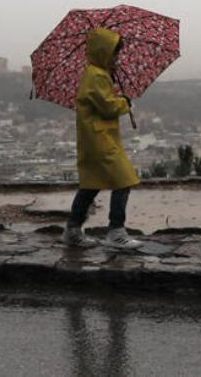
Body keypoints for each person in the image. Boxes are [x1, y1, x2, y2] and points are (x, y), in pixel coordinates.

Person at [63, 27, 142, 249]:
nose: (117, 57)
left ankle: (73, 230)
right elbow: (107, 107)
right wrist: (125, 102)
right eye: (114, 53)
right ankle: (116, 231)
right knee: (124, 179)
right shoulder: (97, 76)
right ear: (103, 52)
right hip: (100, 140)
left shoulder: (96, 74)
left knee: (91, 184)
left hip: (94, 138)